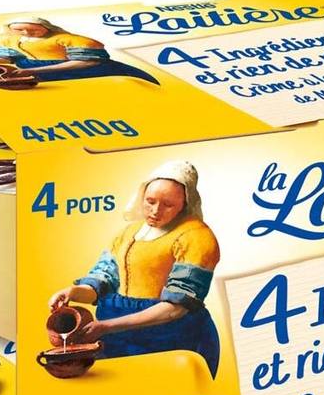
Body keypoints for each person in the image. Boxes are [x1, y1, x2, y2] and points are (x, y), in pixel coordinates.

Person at [49, 161, 221, 377]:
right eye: (150, 201)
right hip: (116, 335)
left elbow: (176, 308)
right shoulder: (130, 232)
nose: (156, 211)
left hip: (169, 335)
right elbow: (105, 279)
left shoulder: (196, 237)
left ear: (184, 204)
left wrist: (107, 326)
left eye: (168, 205)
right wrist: (73, 292)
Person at [0, 17, 158, 85]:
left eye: (33, 29)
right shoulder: (13, 39)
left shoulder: (71, 40)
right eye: (20, 30)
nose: (27, 33)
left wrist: (34, 70)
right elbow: (9, 57)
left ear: (46, 27)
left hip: (74, 69)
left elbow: (88, 62)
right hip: (28, 67)